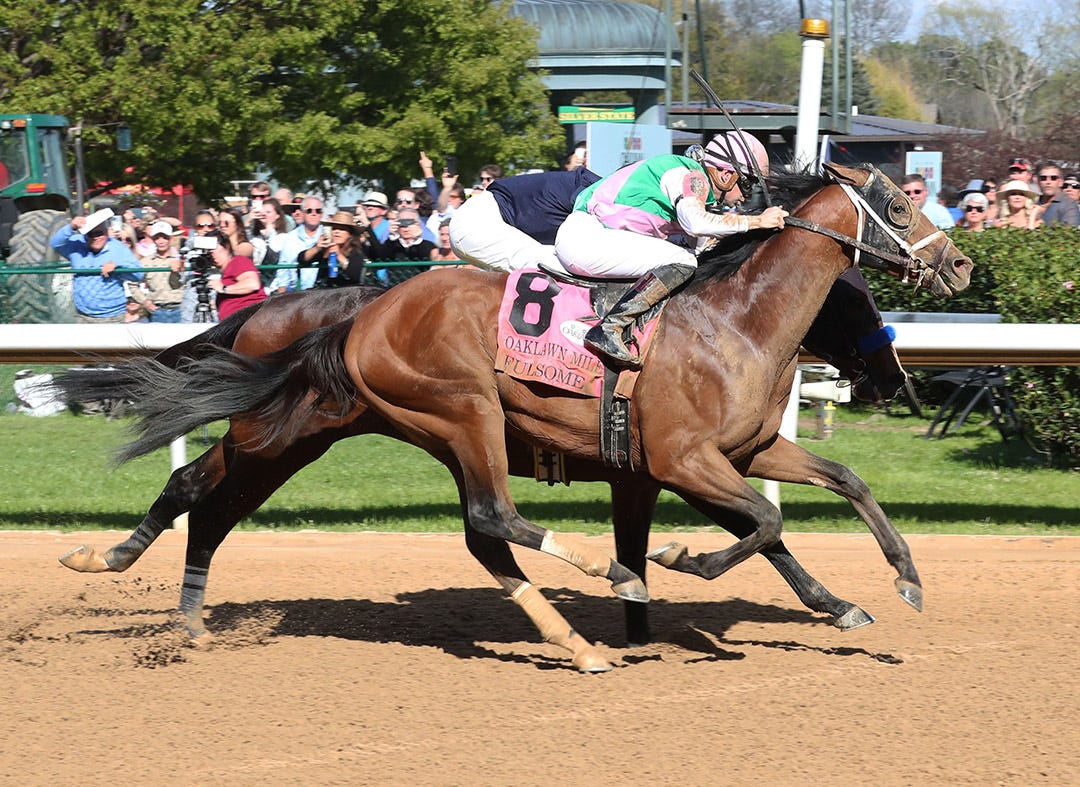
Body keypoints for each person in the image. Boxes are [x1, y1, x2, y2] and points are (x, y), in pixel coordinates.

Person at [554, 131, 788, 366]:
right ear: (727, 175)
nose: (747, 196)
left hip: (592, 238)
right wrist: (757, 221)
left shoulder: (696, 190)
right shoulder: (691, 177)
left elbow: (704, 246)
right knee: (683, 261)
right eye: (749, 184)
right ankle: (609, 329)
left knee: (688, 260)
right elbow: (696, 224)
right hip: (587, 238)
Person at [450, 167, 600, 272]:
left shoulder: (594, 188)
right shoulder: (593, 193)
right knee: (560, 267)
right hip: (480, 223)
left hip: (480, 221)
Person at [50, 208, 143, 323]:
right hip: (83, 315)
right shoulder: (77, 245)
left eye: (99, 233)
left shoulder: (118, 247)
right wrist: (71, 227)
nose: (95, 238)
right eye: (90, 234)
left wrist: (118, 267)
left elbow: (139, 274)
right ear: (85, 236)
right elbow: (55, 243)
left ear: (106, 232)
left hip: (113, 316)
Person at [128, 220, 185, 322]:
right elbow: (132, 284)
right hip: (158, 310)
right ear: (153, 239)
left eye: (165, 237)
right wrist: (145, 302)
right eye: (157, 238)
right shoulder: (146, 262)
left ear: (171, 238)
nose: (161, 241)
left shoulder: (181, 259)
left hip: (180, 309)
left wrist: (182, 266)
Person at [206, 229, 266, 320]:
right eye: (206, 250)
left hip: (250, 321)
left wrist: (224, 288)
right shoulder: (226, 272)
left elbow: (252, 284)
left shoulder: (238, 261)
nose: (209, 253)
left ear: (226, 246)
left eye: (212, 248)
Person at [365, 207, 434, 284]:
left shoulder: (428, 245)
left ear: (418, 225)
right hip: (394, 289)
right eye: (402, 224)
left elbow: (426, 259)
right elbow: (381, 260)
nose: (406, 229)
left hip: (419, 287)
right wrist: (392, 236)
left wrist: (417, 240)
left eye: (410, 224)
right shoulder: (392, 245)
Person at [274, 195, 325, 292]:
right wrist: (281, 293)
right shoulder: (290, 237)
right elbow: (283, 266)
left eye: (317, 211)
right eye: (309, 210)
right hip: (297, 293)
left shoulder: (327, 236)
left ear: (322, 214)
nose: (314, 214)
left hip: (322, 293)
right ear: (302, 213)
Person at [313, 211, 369, 287]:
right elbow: (302, 258)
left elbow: (354, 275)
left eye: (342, 229)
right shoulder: (326, 248)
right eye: (334, 228)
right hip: (325, 292)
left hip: (347, 293)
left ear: (350, 234)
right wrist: (317, 248)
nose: (337, 232)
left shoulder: (356, 251)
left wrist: (339, 255)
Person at [1034, 162, 1080, 227]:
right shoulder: (1032, 202)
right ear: (1038, 181)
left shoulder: (1069, 204)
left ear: (1061, 182)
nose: (1048, 182)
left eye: (1053, 178)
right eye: (1043, 178)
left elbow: (1069, 233)